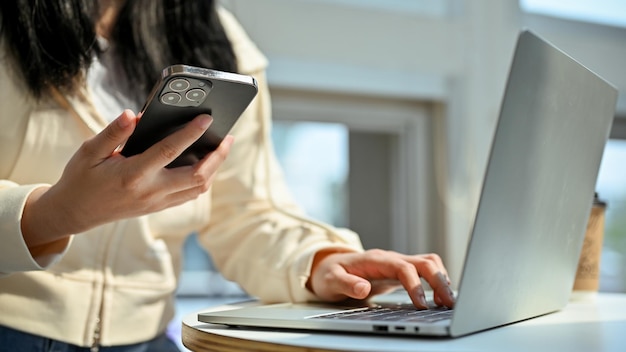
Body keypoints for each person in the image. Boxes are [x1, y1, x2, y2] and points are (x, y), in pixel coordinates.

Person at [0, 0, 455, 350]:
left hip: (149, 338)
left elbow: (247, 212)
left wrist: (317, 261)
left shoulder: (218, 39)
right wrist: (54, 214)